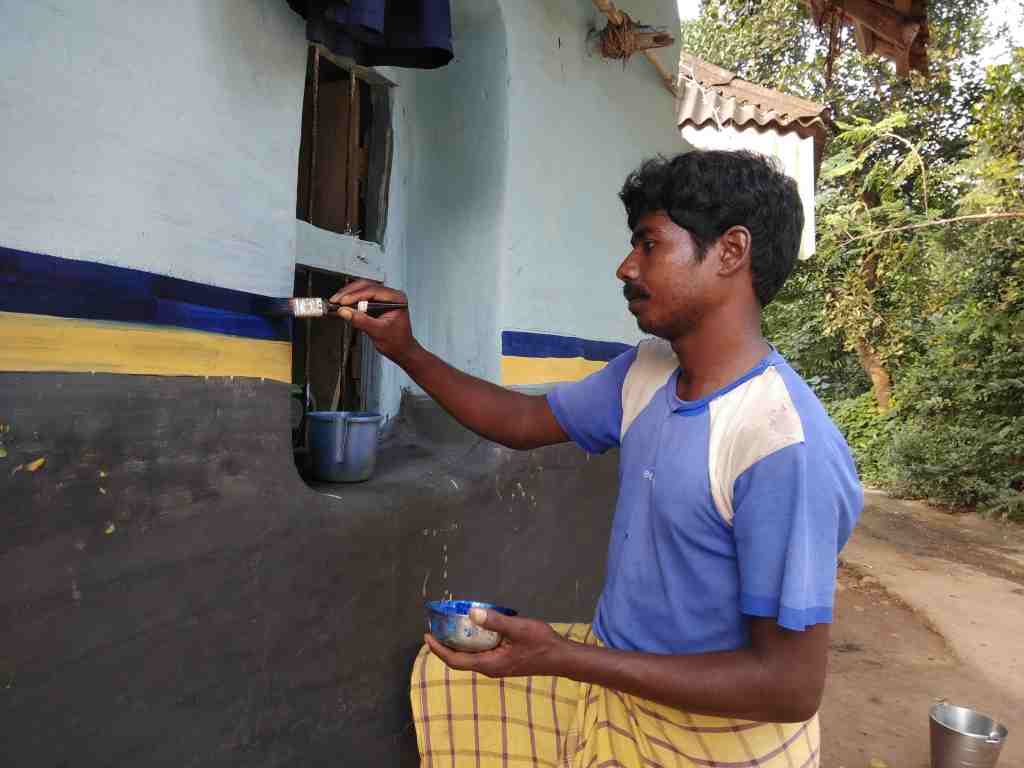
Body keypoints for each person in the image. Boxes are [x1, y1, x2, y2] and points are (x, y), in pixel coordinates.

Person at [331, 150, 862, 767]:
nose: (625, 266)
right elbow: (523, 422)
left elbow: (789, 686)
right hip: (617, 696)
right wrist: (406, 350)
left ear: (731, 252)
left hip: (719, 745)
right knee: (445, 682)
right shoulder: (647, 372)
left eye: (649, 244)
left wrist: (564, 658)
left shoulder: (779, 443)